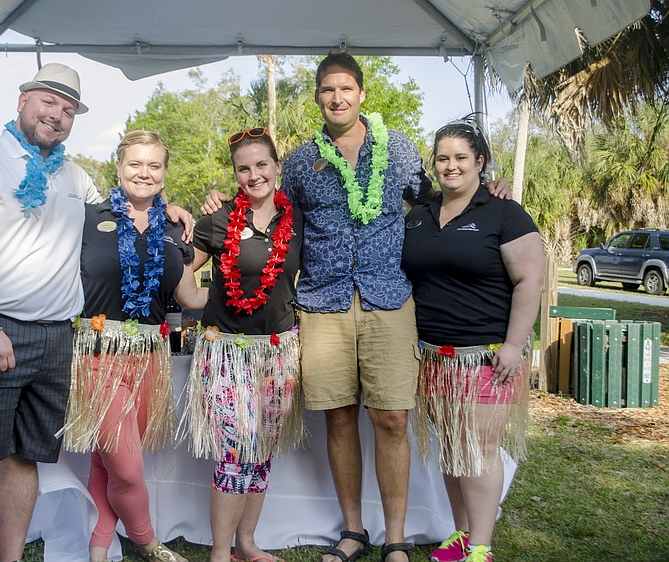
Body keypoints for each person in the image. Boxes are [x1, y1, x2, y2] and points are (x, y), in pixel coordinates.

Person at [202, 53, 510, 562]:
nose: (337, 97)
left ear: (361, 94)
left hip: (388, 298)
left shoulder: (400, 149)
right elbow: (265, 204)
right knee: (340, 418)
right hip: (322, 302)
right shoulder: (301, 161)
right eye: (328, 90)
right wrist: (217, 198)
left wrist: (490, 188)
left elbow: (439, 196)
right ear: (318, 98)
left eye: (346, 88)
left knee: (391, 419)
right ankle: (352, 530)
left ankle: (395, 538)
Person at [0, 64, 192, 562]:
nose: (56, 114)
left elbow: (127, 214)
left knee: (25, 459)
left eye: (68, 108)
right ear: (22, 100)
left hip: (56, 339)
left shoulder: (75, 178)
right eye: (48, 101)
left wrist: (170, 207)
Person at [58, 130, 207, 562]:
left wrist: (250, 289)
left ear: (164, 173)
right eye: (135, 164)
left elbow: (190, 297)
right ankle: (147, 541)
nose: (144, 173)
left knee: (108, 461)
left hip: (150, 361)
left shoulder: (175, 226)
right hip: (98, 355)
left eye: (154, 165)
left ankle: (99, 544)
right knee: (125, 466)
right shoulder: (88, 217)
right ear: (119, 166)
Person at [401, 119, 543, 562]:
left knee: (478, 448)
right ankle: (462, 535)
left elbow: (530, 281)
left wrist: (514, 346)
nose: (451, 166)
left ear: (480, 162)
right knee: (452, 447)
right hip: (434, 357)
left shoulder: (504, 212)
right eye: (443, 158)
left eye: (461, 157)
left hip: (485, 356)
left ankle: (481, 546)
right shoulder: (420, 214)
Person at [180, 128, 304, 562]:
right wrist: (204, 296)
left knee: (262, 449)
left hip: (278, 352)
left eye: (262, 165)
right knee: (234, 451)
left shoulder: (297, 219)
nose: (254, 175)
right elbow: (183, 277)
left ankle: (246, 543)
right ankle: (220, 552)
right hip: (226, 352)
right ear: (234, 173)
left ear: (277, 166)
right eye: (243, 168)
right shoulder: (218, 219)